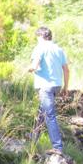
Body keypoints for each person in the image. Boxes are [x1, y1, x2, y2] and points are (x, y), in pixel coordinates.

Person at [28, 26, 69, 154]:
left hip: (45, 86)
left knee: (50, 115)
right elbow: (66, 70)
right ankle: (33, 138)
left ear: (41, 36)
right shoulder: (59, 49)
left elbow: (35, 65)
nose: (37, 40)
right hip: (57, 86)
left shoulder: (40, 48)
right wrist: (65, 87)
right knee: (42, 112)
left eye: (37, 37)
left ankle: (57, 147)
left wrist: (30, 68)